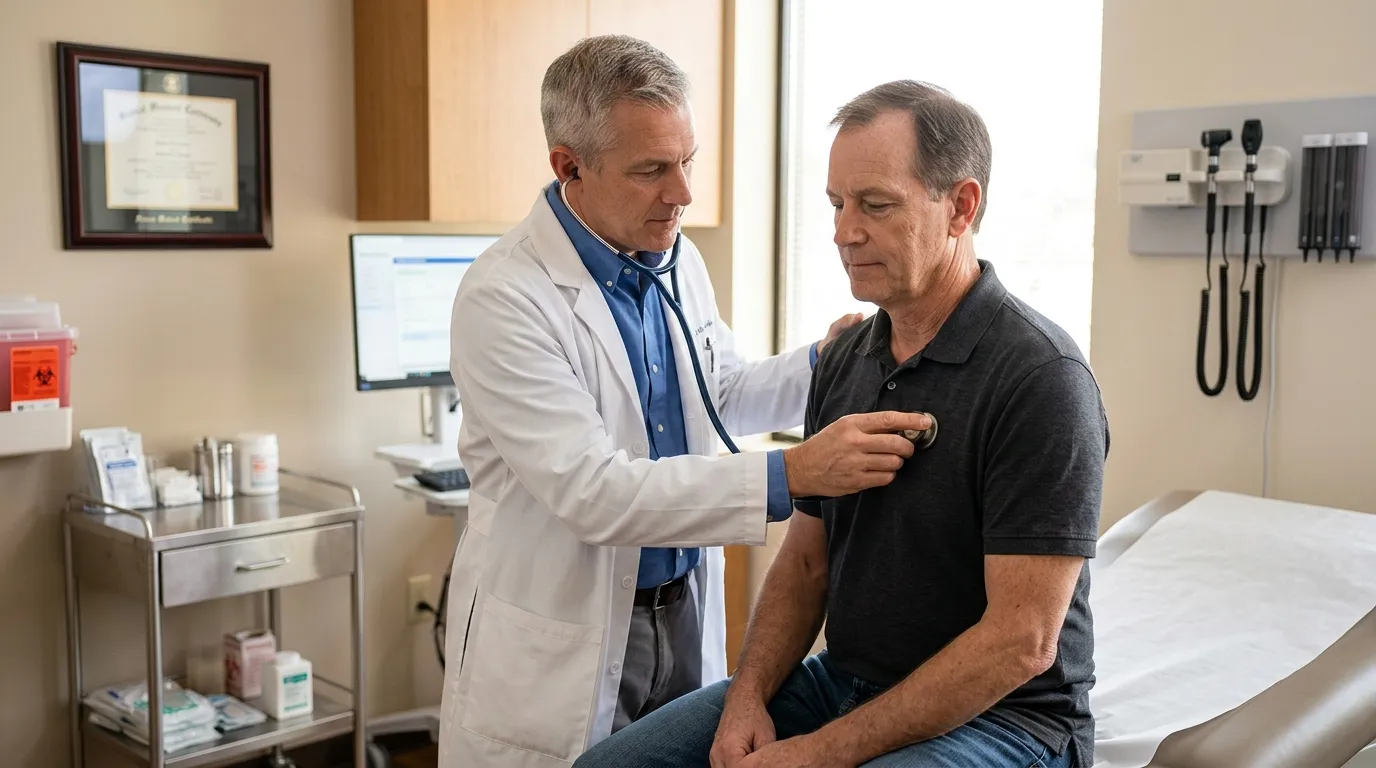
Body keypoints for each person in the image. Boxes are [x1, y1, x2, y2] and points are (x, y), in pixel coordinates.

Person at [573, 80, 1110, 768]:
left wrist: (820, 753)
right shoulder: (847, 359)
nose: (843, 232)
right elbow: (805, 562)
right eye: (836, 204)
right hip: (843, 681)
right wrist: (747, 698)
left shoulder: (1040, 379)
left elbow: (1022, 642)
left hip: (1008, 719)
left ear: (961, 207)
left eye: (875, 205)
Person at [438, 38, 933, 767]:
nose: (683, 194)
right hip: (564, 633)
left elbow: (718, 393)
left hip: (683, 609)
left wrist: (826, 363)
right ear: (569, 167)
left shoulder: (674, 258)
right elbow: (593, 492)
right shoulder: (505, 296)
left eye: (687, 162)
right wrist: (796, 472)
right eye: (652, 170)